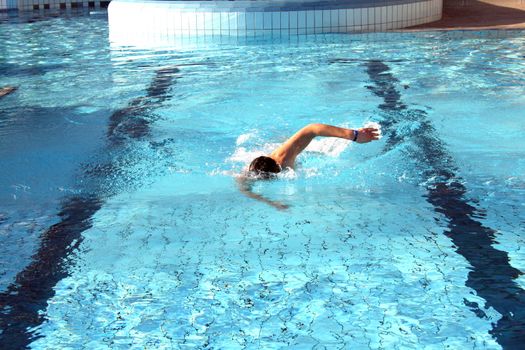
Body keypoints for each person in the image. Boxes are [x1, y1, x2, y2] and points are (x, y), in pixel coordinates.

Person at [238, 123, 381, 209]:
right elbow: (244, 189)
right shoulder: (252, 171)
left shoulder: (284, 157)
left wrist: (354, 135)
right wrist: (271, 202)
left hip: (295, 148)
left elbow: (312, 129)